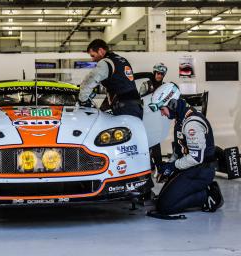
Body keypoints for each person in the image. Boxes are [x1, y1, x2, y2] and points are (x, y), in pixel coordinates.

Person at [148, 82, 224, 215]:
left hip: (200, 171)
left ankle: (208, 195)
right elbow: (179, 151)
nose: (162, 113)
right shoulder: (180, 118)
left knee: (165, 207)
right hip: (192, 168)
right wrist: (168, 167)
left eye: (162, 109)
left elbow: (196, 158)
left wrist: (173, 167)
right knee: (161, 199)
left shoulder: (191, 124)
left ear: (172, 104)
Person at [78, 39, 143, 119]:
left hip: (124, 108)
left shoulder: (106, 62)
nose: (93, 59)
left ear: (100, 51)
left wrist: (83, 101)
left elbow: (88, 82)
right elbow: (119, 84)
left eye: (93, 55)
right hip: (136, 106)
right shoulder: (122, 60)